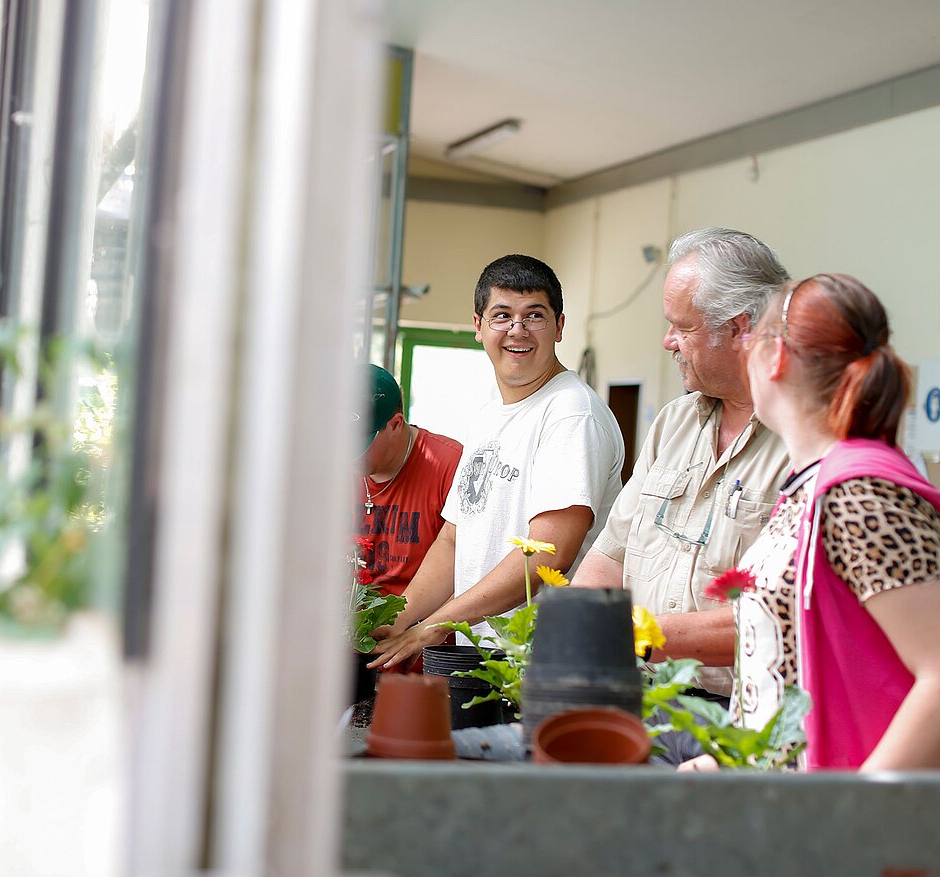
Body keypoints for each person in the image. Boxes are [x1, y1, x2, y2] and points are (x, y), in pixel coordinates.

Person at [723, 273, 940, 770]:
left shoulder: (861, 492)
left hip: (846, 825)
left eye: (751, 337)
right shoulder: (813, 484)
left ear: (775, 356)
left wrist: (852, 819)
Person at [369, 254, 624, 670]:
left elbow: (548, 555)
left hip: (543, 660)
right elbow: (454, 537)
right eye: (501, 315)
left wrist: (434, 626)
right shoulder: (491, 412)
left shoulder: (571, 414)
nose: (517, 330)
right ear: (478, 326)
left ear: (560, 326)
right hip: (486, 655)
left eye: (534, 316)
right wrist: (396, 619)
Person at [571, 229, 792, 703]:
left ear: (739, 329)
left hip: (739, 716)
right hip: (637, 690)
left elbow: (788, 615)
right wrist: (574, 627)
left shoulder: (807, 441)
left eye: (683, 328)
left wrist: (635, 636)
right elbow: (611, 555)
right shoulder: (674, 423)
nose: (668, 341)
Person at [356, 364, 463, 598]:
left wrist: (418, 632)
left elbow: (470, 571)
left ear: (395, 424)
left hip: (419, 625)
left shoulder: (450, 465)